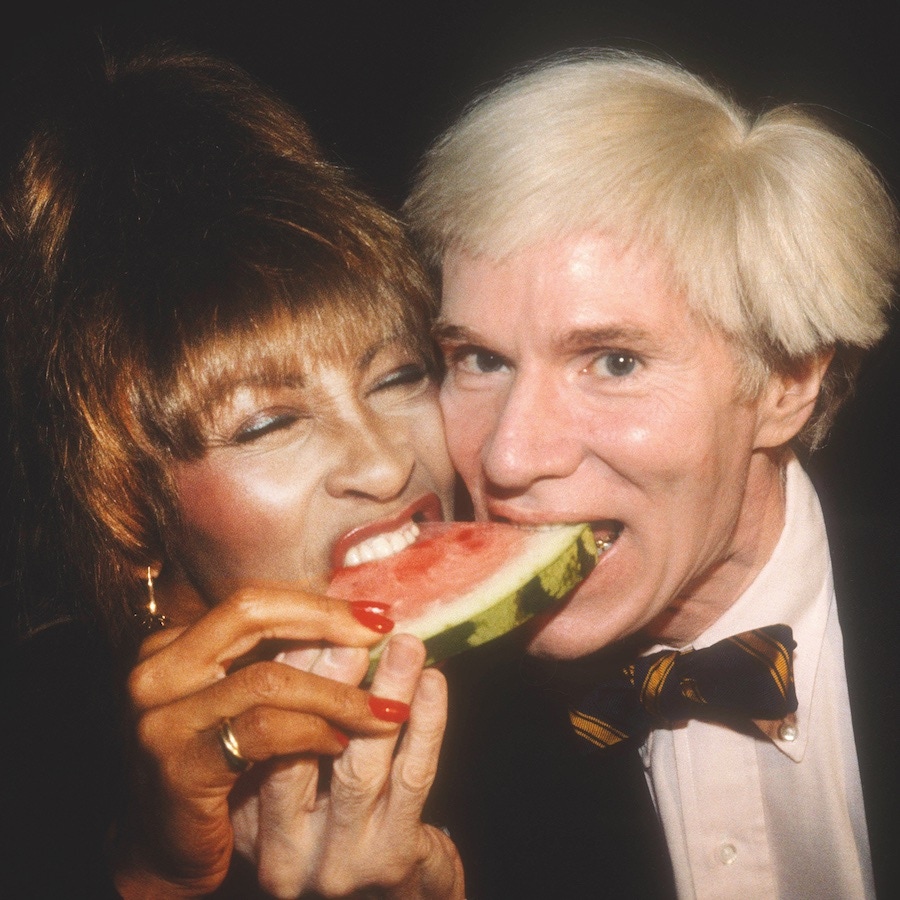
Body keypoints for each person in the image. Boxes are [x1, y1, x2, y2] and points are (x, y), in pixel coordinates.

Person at [404, 50, 900, 898]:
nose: (508, 458)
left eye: (615, 362)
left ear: (785, 384)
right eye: (480, 358)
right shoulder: (421, 760)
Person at [1, 40, 464, 898]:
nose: (386, 459)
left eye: (399, 376)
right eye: (268, 422)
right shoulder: (29, 757)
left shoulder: (557, 694)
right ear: (125, 501)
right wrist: (158, 875)